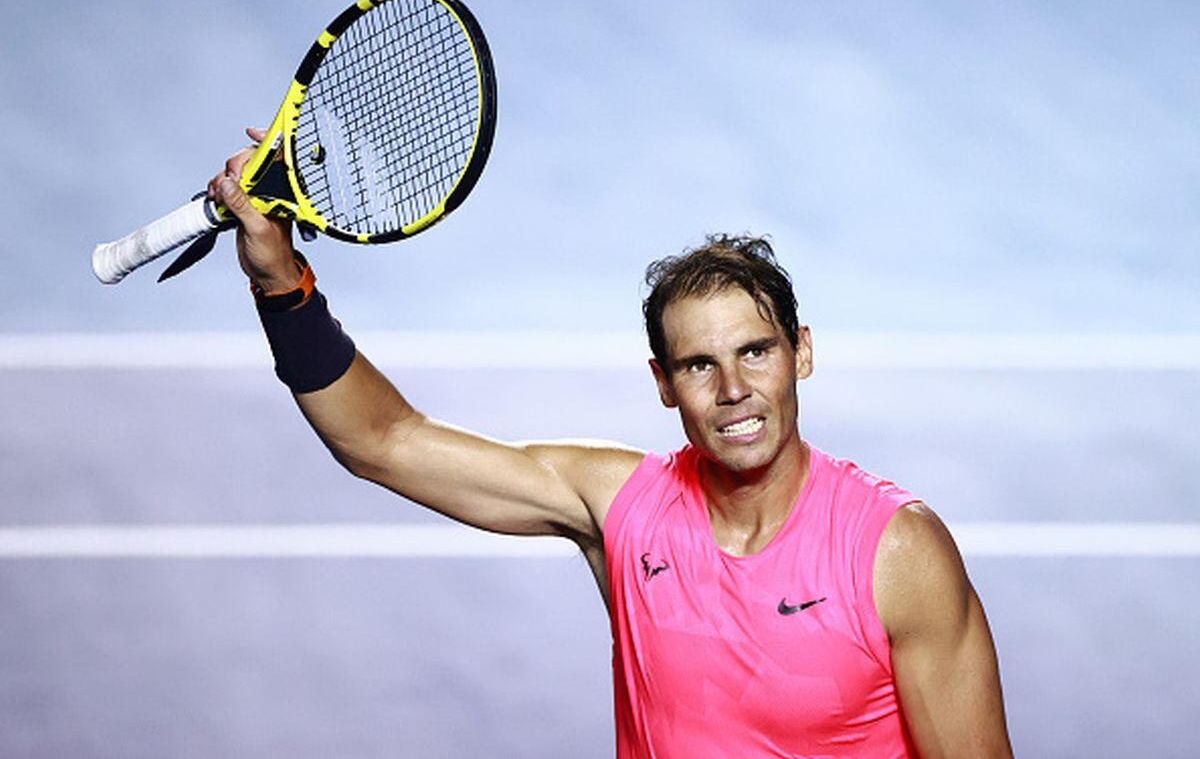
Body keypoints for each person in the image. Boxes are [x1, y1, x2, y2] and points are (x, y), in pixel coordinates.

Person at [207, 136, 1013, 758]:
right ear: (664, 383)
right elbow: (382, 440)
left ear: (801, 352)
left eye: (756, 352)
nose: (734, 388)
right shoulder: (621, 510)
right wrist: (281, 282)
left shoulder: (897, 553)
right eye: (699, 365)